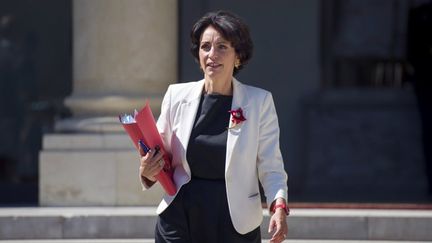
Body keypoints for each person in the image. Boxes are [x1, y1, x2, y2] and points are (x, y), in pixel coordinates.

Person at [139, 10, 288, 243]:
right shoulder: (176, 95)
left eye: (222, 47)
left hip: (235, 222)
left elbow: (271, 166)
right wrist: (147, 171)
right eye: (205, 46)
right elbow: (159, 155)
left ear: (238, 56)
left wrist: (278, 205)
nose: (212, 54)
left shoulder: (259, 102)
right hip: (179, 217)